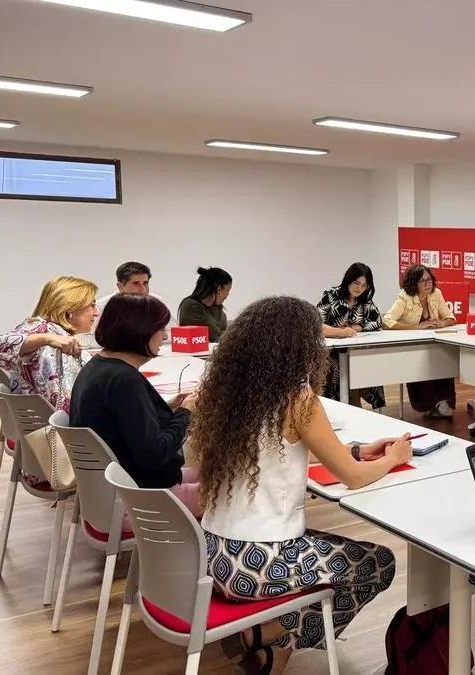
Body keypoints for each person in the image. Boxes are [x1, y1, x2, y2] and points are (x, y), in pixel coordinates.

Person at [192, 296, 408, 674]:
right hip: (257, 563)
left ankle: (263, 637)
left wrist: (354, 449)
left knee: (337, 554)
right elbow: (353, 479)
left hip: (209, 553)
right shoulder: (298, 398)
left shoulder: (230, 393)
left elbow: (275, 453)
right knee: (377, 563)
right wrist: (393, 459)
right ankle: (272, 640)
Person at [69, 294, 201, 515]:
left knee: (215, 472)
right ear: (140, 331)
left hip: (111, 492)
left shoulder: (98, 367)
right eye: (160, 329)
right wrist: (186, 413)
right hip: (136, 500)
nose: (165, 336)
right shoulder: (124, 380)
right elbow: (154, 455)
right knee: (228, 490)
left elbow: (122, 421)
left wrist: (170, 408)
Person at [0, 276, 98, 412]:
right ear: (70, 307)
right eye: (92, 305)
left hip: (59, 424)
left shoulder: (61, 334)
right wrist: (46, 338)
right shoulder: (41, 327)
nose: (96, 313)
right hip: (53, 428)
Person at [382, 264, 458, 418]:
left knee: (444, 360)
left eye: (429, 279)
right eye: (422, 281)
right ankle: (427, 405)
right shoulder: (405, 297)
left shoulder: (436, 294)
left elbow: (450, 317)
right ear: (413, 284)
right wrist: (416, 327)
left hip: (434, 343)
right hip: (412, 345)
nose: (427, 283)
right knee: (420, 365)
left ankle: (444, 402)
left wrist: (443, 323)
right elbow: (386, 321)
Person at [319, 262, 387, 410]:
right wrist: (341, 332)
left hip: (356, 351)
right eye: (357, 283)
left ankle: (357, 405)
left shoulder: (364, 300)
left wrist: (358, 327)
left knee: (367, 364)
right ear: (348, 279)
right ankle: (341, 407)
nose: (359, 288)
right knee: (338, 368)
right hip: (332, 353)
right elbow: (317, 325)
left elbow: (378, 322)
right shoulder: (331, 295)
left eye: (364, 285)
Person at [177, 266, 231, 342]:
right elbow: (215, 336)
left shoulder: (217, 306)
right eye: (227, 290)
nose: (228, 294)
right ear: (219, 289)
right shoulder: (191, 306)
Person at [96, 261, 163, 311]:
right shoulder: (102, 307)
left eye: (145, 283)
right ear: (120, 287)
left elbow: (170, 328)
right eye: (136, 283)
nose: (143, 289)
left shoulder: (156, 302)